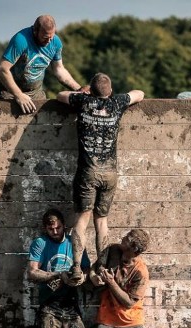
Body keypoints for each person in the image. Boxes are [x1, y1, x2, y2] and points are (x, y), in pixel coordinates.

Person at [56, 73, 144, 281]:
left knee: (82, 218)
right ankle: (102, 265)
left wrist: (82, 92)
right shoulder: (117, 103)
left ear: (91, 91)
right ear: (110, 91)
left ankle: (76, 266)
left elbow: (60, 95)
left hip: (88, 172)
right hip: (109, 172)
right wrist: (119, 96)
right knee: (101, 220)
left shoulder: (82, 101)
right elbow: (139, 93)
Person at [0, 15, 84, 114]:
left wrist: (79, 89)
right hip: (11, 93)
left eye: (51, 37)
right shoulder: (20, 40)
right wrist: (19, 95)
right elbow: (2, 69)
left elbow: (59, 70)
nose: (48, 41)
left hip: (36, 93)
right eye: (45, 37)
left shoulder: (56, 43)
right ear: (35, 31)